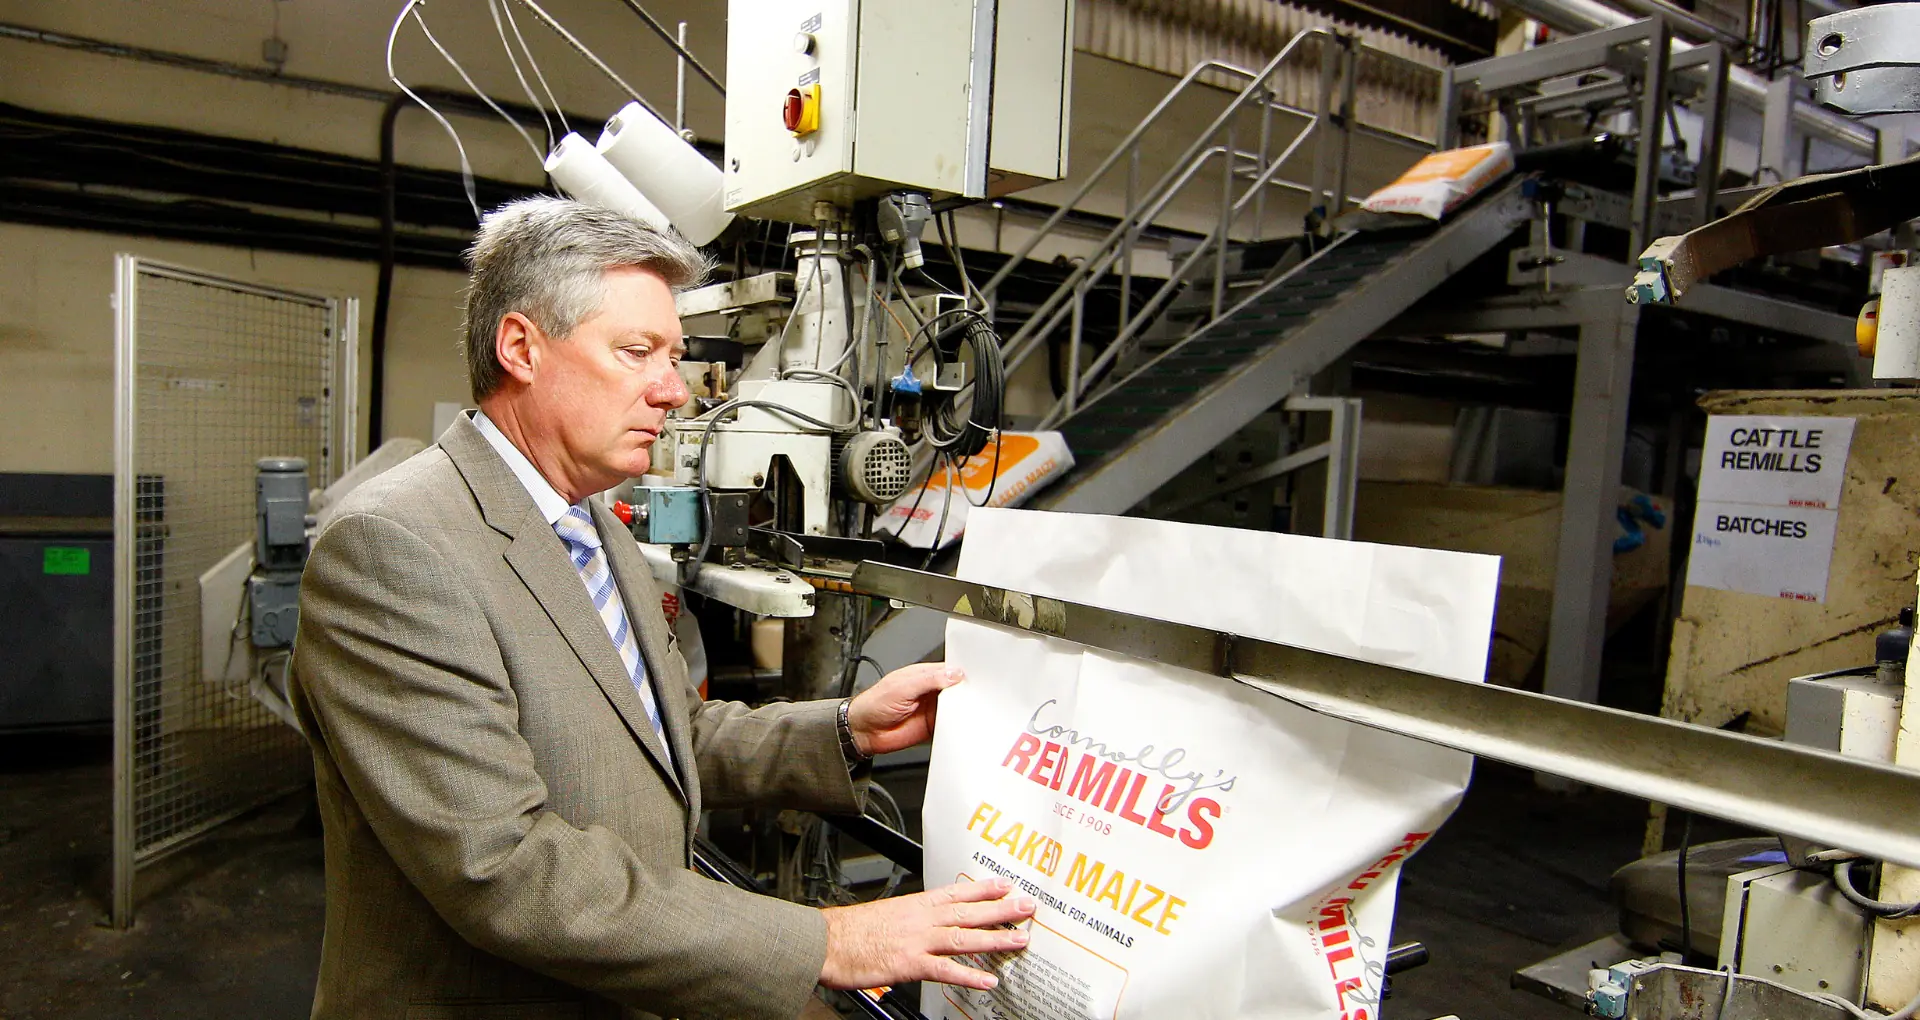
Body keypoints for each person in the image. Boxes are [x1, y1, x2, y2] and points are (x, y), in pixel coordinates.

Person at [288, 197, 1032, 1020]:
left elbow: (673, 734)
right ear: (521, 348)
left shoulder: (594, 525)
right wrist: (826, 941)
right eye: (636, 351)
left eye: (673, 357)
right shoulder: (393, 546)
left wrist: (848, 728)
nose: (674, 391)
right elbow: (503, 870)